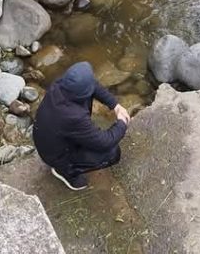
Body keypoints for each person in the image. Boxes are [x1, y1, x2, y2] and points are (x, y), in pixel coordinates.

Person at [32, 61, 130, 191]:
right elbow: (104, 142)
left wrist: (115, 105)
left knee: (87, 93)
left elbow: (92, 85)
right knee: (113, 153)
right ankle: (66, 171)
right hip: (56, 155)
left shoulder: (61, 84)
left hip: (51, 138)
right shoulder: (73, 117)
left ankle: (69, 160)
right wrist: (122, 123)